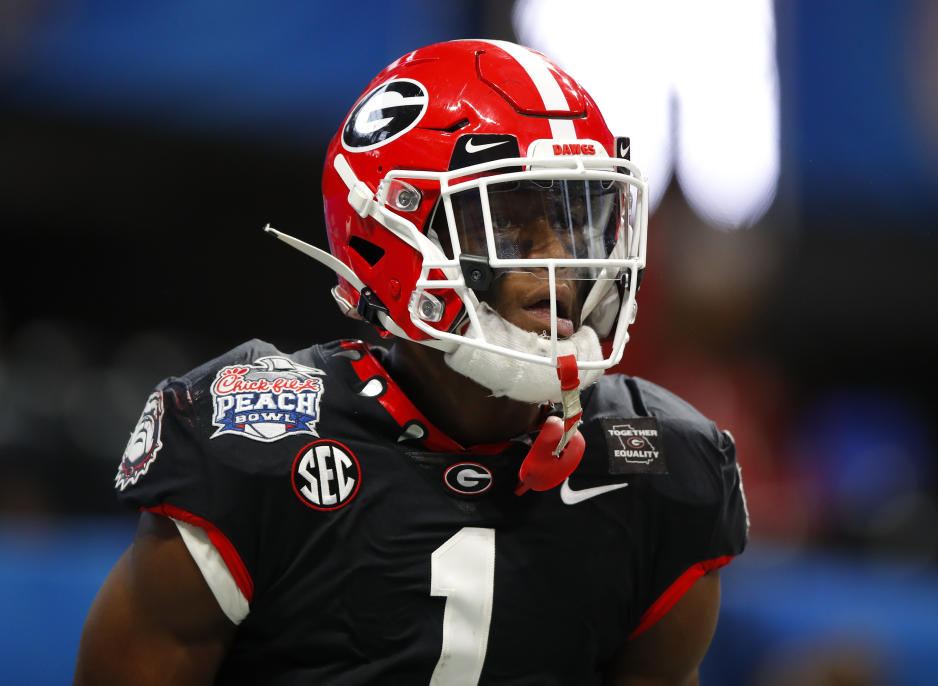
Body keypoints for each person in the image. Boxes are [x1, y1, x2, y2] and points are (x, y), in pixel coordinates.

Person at [74, 39, 748, 685]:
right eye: (510, 221)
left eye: (574, 220)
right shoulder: (254, 443)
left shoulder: (662, 468)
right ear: (390, 228)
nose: (559, 265)